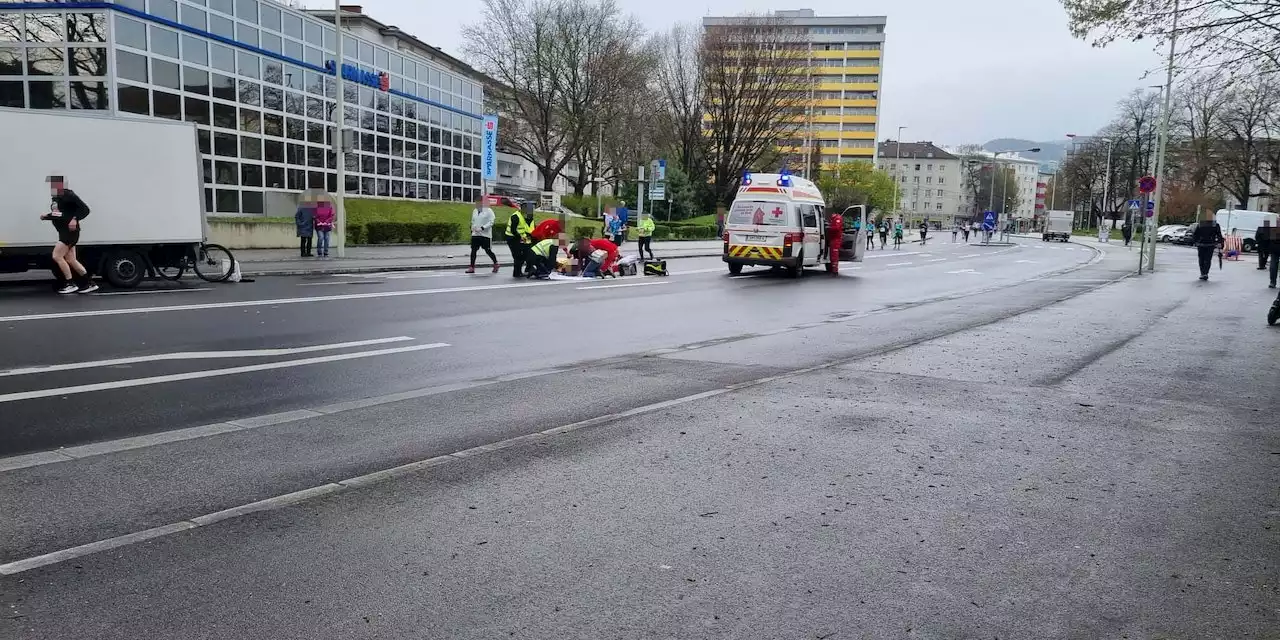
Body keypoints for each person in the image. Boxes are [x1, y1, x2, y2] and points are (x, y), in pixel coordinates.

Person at [41, 176, 97, 294]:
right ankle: (89, 283)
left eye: (53, 184)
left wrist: (75, 219)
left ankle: (70, 283)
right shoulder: (56, 197)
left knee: (57, 256)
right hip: (64, 231)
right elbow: (60, 214)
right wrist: (47, 216)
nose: (51, 187)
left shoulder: (68, 195)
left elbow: (85, 209)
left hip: (69, 232)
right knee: (71, 259)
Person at [467, 195, 498, 274]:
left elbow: (491, 222)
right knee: (473, 250)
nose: (477, 204)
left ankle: (496, 263)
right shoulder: (475, 211)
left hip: (485, 235)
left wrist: (483, 228)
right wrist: (472, 228)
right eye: (476, 202)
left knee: (488, 250)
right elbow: (473, 221)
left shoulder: (489, 210)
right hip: (475, 234)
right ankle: (472, 267)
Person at [1190, 214, 1225, 281]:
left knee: (1203, 259)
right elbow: (1219, 235)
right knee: (1206, 259)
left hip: (1204, 244)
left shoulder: (1203, 224)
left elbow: (1195, 234)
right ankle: (1204, 273)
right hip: (1208, 244)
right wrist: (1219, 242)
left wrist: (1195, 242)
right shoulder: (1214, 225)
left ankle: (1203, 273)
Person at [505, 202, 535, 278]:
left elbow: (529, 228)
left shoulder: (528, 216)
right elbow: (513, 230)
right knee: (517, 256)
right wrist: (522, 238)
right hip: (512, 238)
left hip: (522, 237)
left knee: (528, 251)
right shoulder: (515, 216)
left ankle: (528, 269)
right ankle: (517, 273)